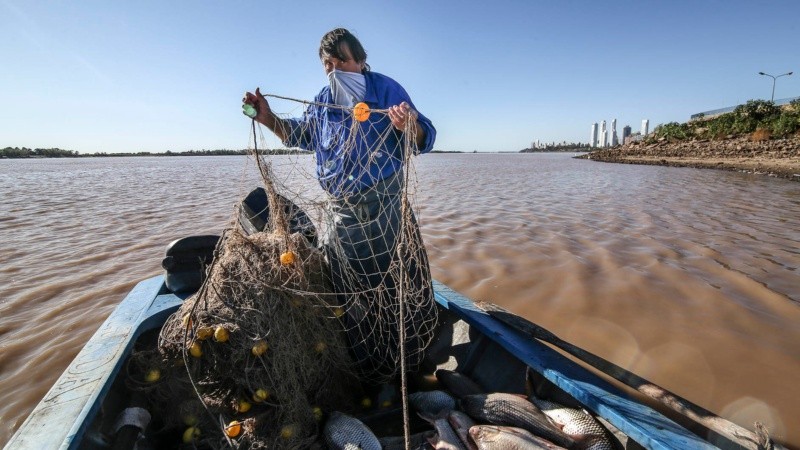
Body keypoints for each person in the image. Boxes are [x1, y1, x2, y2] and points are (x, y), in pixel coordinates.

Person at [242, 28, 437, 381]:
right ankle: (367, 367)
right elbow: (300, 135)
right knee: (347, 293)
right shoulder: (323, 102)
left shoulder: (385, 89)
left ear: (361, 61)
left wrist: (409, 126)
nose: (335, 71)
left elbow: (425, 137)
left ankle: (411, 365)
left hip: (385, 209)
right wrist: (267, 118)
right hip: (341, 215)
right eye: (328, 65)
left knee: (398, 287)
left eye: (342, 61)